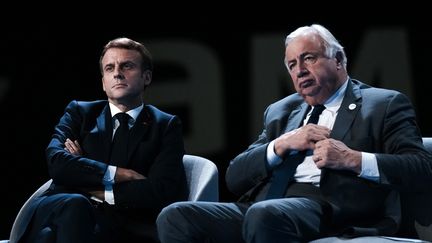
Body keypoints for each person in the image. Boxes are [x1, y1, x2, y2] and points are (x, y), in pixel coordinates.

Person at [156, 24, 432, 243]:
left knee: (265, 216)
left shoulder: (382, 104)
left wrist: (353, 159)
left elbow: (420, 168)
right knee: (176, 216)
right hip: (266, 207)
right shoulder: (282, 111)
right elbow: (235, 177)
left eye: (308, 59)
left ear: (338, 59)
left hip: (332, 210)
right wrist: (280, 145)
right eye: (291, 65)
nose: (299, 71)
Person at [19, 37, 188, 243]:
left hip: (120, 221)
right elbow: (57, 163)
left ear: (146, 77)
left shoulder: (165, 126)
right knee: (73, 208)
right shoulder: (80, 112)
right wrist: (118, 174)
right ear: (103, 83)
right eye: (109, 68)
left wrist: (94, 186)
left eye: (127, 66)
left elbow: (161, 190)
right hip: (60, 206)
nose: (117, 73)